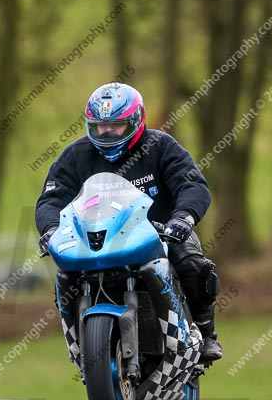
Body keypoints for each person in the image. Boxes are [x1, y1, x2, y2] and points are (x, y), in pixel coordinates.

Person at [35, 82, 222, 362]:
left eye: (117, 125)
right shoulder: (75, 155)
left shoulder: (161, 146)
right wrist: (51, 230)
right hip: (97, 240)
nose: (107, 132)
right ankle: (78, 341)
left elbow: (192, 185)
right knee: (65, 274)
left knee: (192, 264)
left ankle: (206, 335)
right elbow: (51, 199)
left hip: (162, 235)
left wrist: (183, 218)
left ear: (136, 121)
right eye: (100, 126)